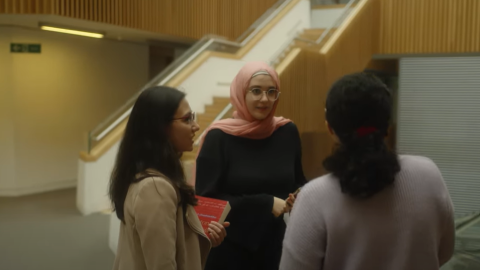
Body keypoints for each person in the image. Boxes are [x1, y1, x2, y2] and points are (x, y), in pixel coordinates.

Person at [280, 73, 455, 270]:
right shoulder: (428, 174)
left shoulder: (314, 198)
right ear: (387, 126)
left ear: (330, 128)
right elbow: (445, 251)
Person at [194, 61, 306, 270]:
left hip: (276, 248)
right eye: (256, 91)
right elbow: (206, 200)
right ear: (241, 93)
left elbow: (298, 180)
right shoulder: (219, 137)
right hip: (230, 250)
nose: (265, 99)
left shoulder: (287, 131)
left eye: (271, 92)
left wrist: (296, 197)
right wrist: (265, 204)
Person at [109, 86, 229, 270]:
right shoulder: (155, 188)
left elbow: (172, 247)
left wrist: (203, 237)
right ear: (160, 127)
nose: (196, 126)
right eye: (187, 119)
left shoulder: (152, 175)